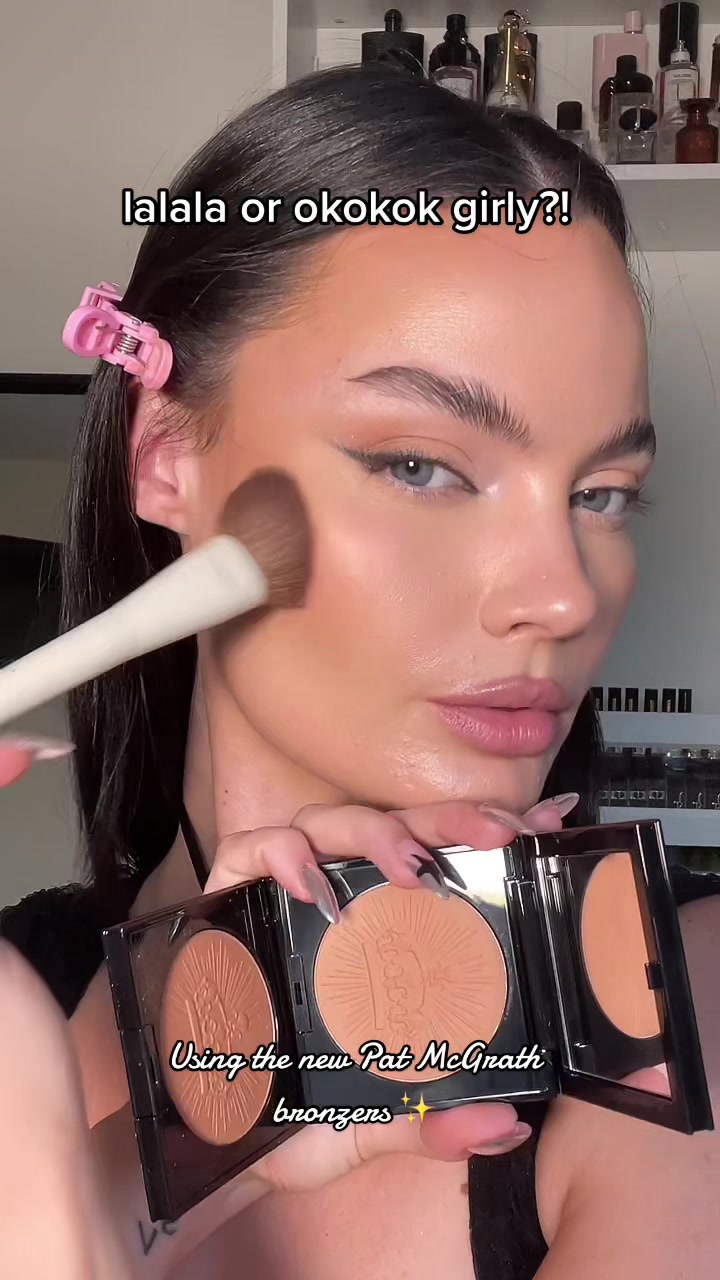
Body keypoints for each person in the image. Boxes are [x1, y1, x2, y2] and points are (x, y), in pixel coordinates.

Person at [0, 64, 718, 1280]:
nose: (562, 594)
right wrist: (128, 1179)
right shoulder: (30, 995)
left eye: (602, 493)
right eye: (420, 465)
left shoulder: (681, 997)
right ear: (168, 456)